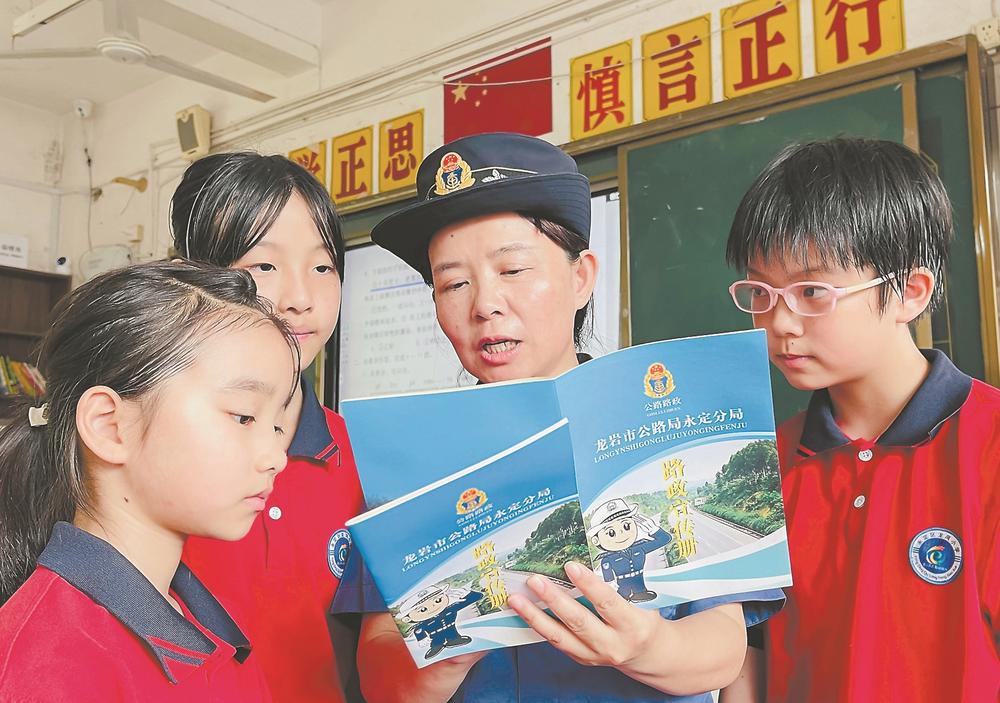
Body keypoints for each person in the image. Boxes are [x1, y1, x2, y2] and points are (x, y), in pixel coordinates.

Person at [334, 132, 785, 702]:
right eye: (453, 283)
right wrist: (448, 654)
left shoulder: (668, 422)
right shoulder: (411, 460)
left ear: (580, 278)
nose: (484, 304)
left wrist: (644, 646)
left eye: (513, 270)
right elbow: (379, 675)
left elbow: (723, 650)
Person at [722, 137, 999, 702]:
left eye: (812, 291)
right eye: (761, 291)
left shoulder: (989, 443)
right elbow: (750, 658)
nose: (779, 323)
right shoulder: (760, 467)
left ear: (910, 293)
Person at [0, 260, 297, 701]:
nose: (277, 458)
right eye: (243, 416)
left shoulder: (205, 620)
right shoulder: (46, 669)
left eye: (277, 425)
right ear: (109, 425)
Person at [171, 152, 365, 702]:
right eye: (264, 266)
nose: (300, 300)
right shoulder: (155, 453)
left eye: (323, 267)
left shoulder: (363, 457)